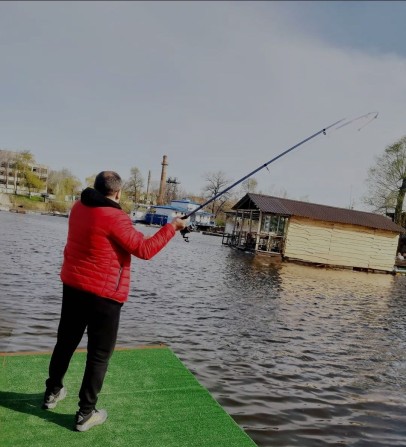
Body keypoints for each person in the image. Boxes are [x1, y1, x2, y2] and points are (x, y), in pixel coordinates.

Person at [42, 171, 186, 432]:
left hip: (73, 287)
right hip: (104, 296)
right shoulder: (115, 217)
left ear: (96, 188)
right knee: (98, 355)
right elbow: (144, 249)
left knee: (66, 342)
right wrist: (172, 227)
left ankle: (52, 392)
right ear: (118, 193)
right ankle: (85, 414)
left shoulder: (78, 207)